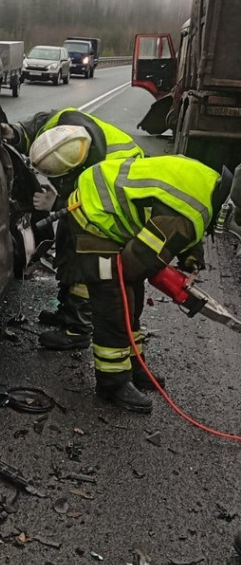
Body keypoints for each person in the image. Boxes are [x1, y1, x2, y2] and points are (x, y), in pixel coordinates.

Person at [27, 134, 232, 413]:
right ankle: (112, 383)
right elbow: (135, 263)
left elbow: (182, 213)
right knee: (114, 300)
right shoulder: (190, 215)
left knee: (130, 296)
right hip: (94, 220)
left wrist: (191, 258)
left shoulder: (205, 179)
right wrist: (170, 278)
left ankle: (135, 367)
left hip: (99, 192)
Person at [0, 109, 144, 350]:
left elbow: (94, 205)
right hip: (94, 191)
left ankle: (77, 329)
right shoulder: (59, 125)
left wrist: (57, 204)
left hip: (117, 202)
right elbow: (35, 127)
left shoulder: (100, 167)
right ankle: (66, 310)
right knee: (67, 243)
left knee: (84, 256)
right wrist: (15, 132)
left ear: (73, 168)